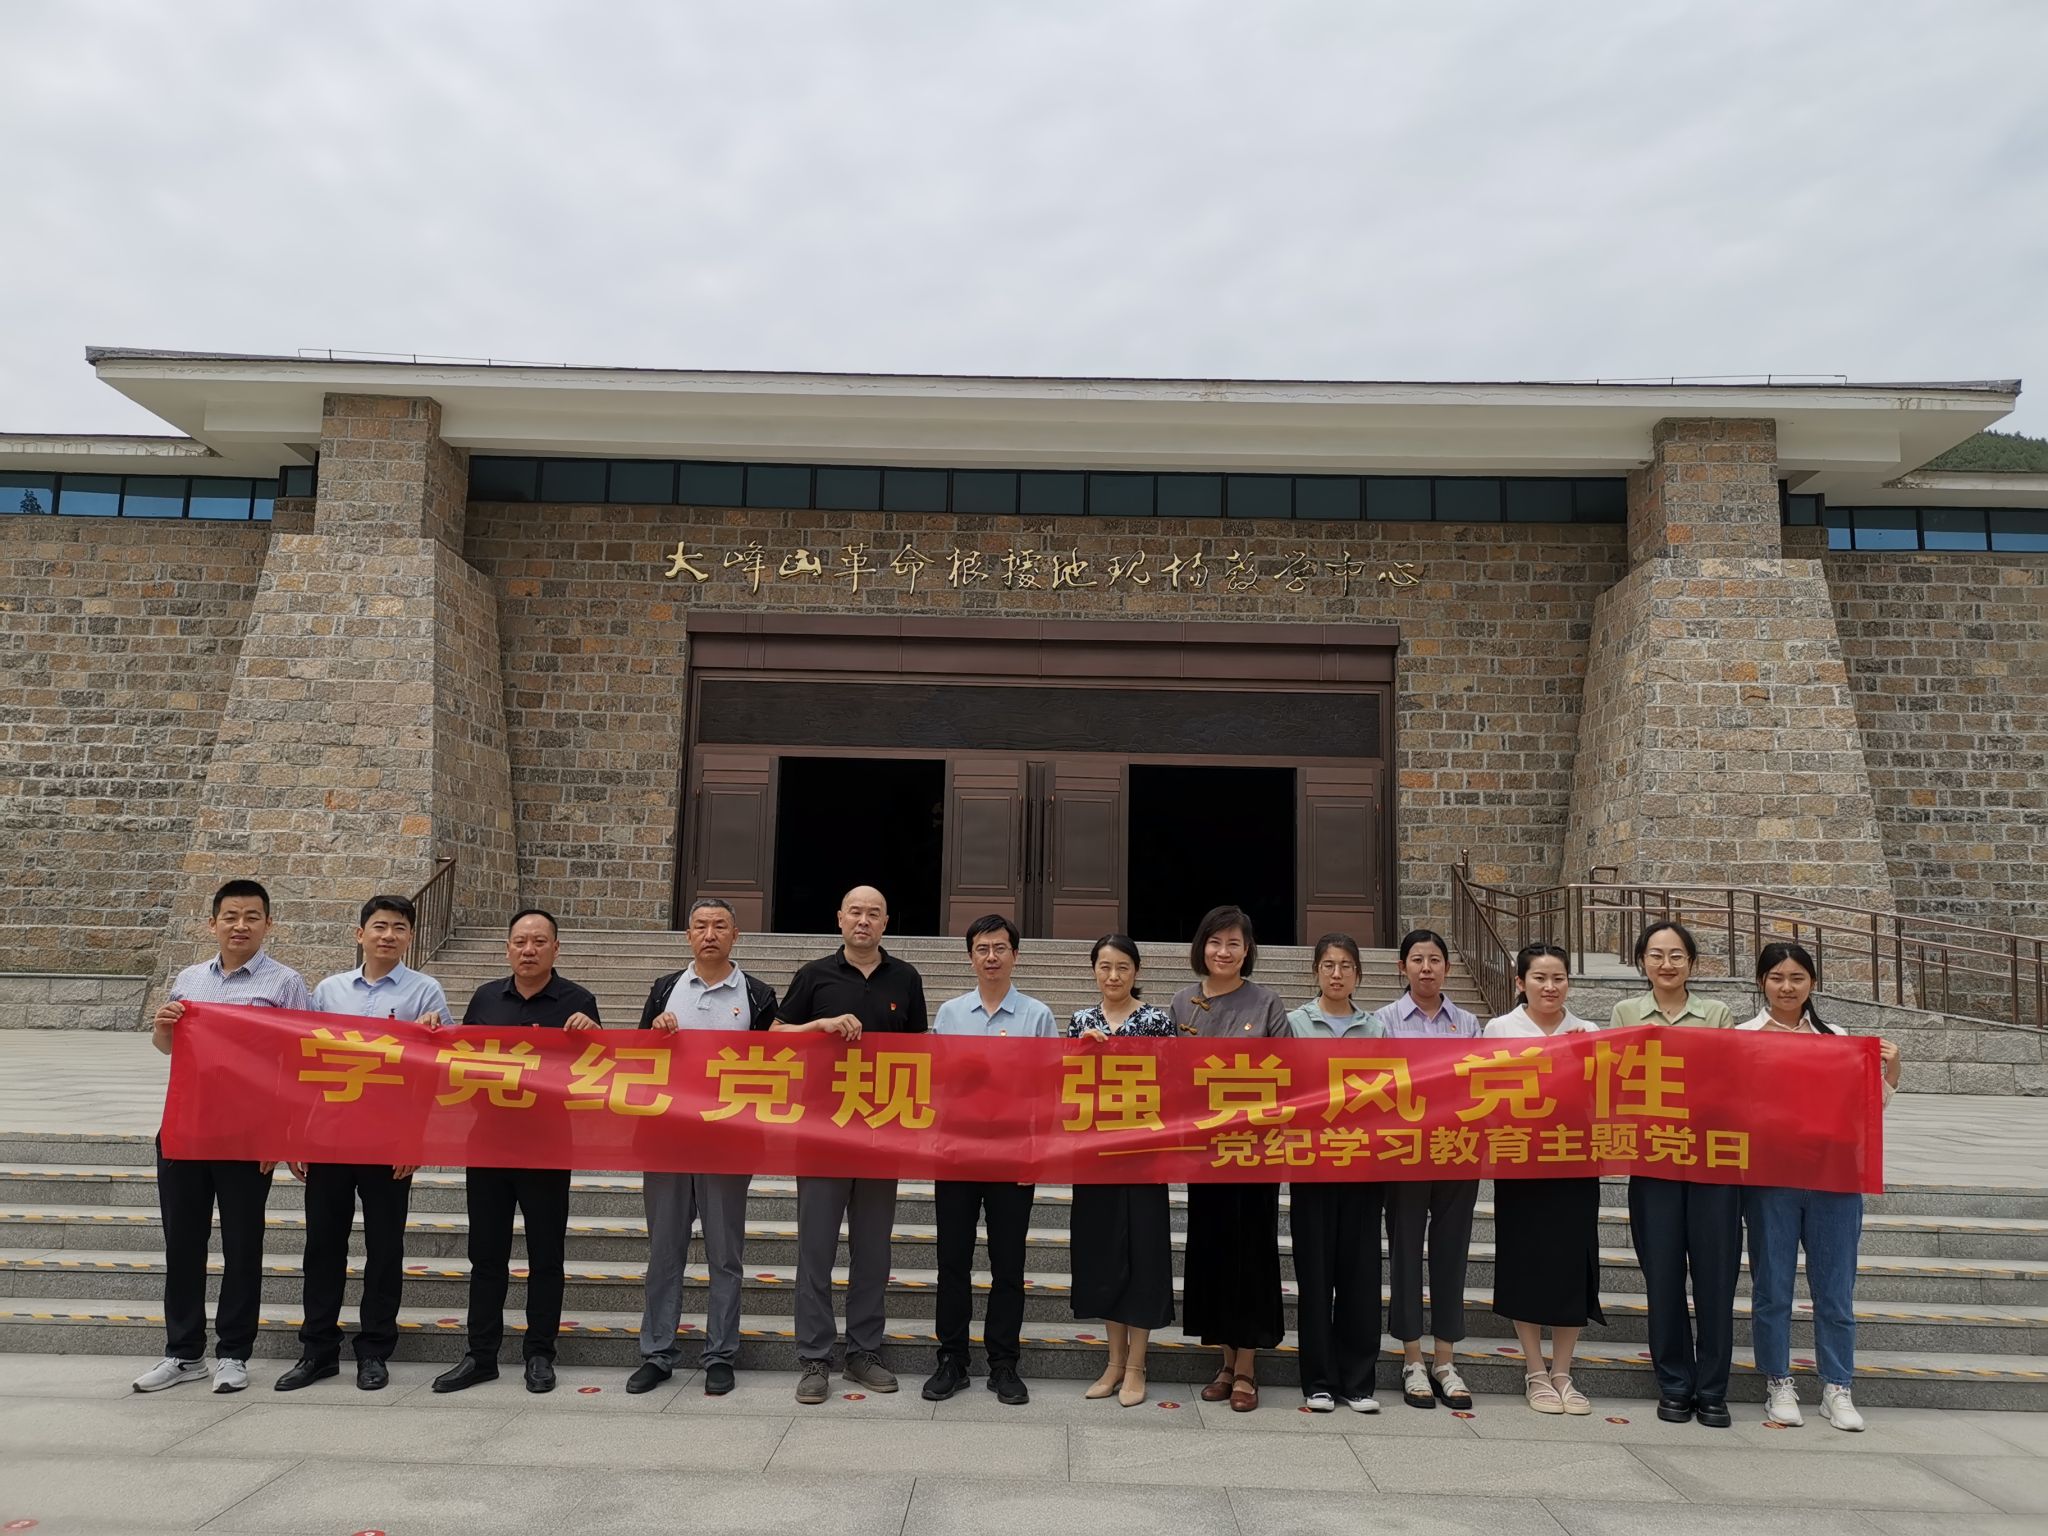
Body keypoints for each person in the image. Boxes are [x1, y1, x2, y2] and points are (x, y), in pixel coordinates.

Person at [135, 879, 312, 1395]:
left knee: (242, 1245)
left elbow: (299, 1062)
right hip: (185, 1129)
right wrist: (163, 1025)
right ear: (212, 923)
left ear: (268, 924)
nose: (241, 925)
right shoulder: (190, 979)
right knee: (182, 1245)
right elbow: (168, 1047)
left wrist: (282, 1134)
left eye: (252, 916)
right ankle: (183, 1353)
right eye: (231, 916)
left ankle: (234, 1352)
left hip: (246, 1135)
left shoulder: (285, 983)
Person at [279, 894, 448, 1393]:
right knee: (322, 1247)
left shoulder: (426, 991)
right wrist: (297, 1134)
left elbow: (437, 1072)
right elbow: (306, 1064)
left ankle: (374, 1350)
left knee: (385, 1249)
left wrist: (415, 1140)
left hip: (389, 1143)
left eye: (399, 927)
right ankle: (318, 1351)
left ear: (410, 937)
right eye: (379, 926)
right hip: (329, 1137)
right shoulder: (328, 991)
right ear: (360, 934)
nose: (388, 935)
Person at [433, 908, 600, 1396]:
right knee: (486, 1255)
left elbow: (600, 1072)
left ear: (556, 948)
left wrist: (593, 1036)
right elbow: (459, 1061)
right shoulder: (486, 998)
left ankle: (540, 1354)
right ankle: (480, 1355)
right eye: (520, 942)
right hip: (488, 1144)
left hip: (548, 1147)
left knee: (546, 1256)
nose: (529, 950)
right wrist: (431, 1033)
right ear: (507, 948)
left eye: (539, 941)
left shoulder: (578, 1001)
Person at [774, 885, 929, 1405]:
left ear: (886, 922)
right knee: (815, 1251)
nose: (864, 921)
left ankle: (864, 1351)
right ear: (840, 918)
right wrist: (817, 1026)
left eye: (874, 914)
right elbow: (773, 1036)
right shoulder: (813, 975)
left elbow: (919, 1053)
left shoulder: (906, 978)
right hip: (822, 1131)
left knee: (873, 1251)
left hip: (881, 1133)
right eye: (856, 912)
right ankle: (814, 1358)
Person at [1738, 941, 1901, 1433]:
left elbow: (1870, 1106)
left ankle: (1837, 1386)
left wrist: (1890, 1067)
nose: (1787, 987)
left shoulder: (1838, 1038)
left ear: (1812, 982)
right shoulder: (1741, 1038)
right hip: (1770, 1179)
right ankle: (1778, 1381)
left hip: (1834, 1177)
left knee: (1835, 1289)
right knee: (1772, 1287)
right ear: (1762, 983)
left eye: (1797, 978)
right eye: (1776, 978)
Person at [627, 896, 778, 1398]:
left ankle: (720, 1355)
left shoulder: (758, 995)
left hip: (727, 1143)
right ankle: (657, 1353)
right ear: (688, 935)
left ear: (736, 935)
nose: (709, 934)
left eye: (719, 926)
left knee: (724, 1255)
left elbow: (774, 1066)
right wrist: (655, 1033)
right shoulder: (665, 989)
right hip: (667, 1140)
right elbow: (637, 1058)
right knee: (664, 1252)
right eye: (700, 926)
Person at [922, 914, 1057, 1406]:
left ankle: (1004, 1363)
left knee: (1009, 1264)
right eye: (983, 949)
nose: (992, 957)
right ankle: (952, 1360)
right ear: (970, 957)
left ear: (1015, 955)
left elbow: (1049, 1089)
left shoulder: (1037, 1016)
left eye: (1000, 948)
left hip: (1013, 1156)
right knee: (952, 1262)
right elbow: (935, 1082)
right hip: (956, 1154)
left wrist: (1037, 1151)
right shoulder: (950, 1013)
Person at [1610, 919, 1736, 1427]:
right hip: (1653, 1160)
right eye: (1657, 955)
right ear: (1642, 961)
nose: (1666, 964)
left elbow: (1731, 1082)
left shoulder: (1717, 1014)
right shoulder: (1625, 1014)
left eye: (1677, 955)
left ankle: (1713, 1389)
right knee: (1662, 1276)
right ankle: (1675, 1384)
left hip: (1713, 1162)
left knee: (1716, 1277)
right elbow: (1616, 1083)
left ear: (1692, 963)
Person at [1171, 904, 1289, 1414]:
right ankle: (1223, 1361)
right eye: (1215, 941)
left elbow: (1289, 1074)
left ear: (1247, 951)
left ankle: (1247, 1367)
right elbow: (1169, 1075)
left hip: (1255, 1153)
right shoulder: (1183, 1003)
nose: (1223, 951)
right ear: (1202, 946)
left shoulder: (1267, 1002)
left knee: (1252, 1255)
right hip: (1205, 1153)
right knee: (1213, 1252)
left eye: (1234, 943)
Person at [1483, 942, 1603, 1416]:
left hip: (1575, 1161)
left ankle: (1563, 1373)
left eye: (1558, 978)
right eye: (1539, 978)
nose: (1550, 986)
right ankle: (1535, 1370)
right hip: (1521, 1162)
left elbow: (1603, 1098)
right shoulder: (1499, 1029)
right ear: (1520, 983)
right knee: (1525, 1261)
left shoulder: (1589, 1032)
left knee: (1573, 1262)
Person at [1373, 927, 1481, 1410]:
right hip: (1403, 1154)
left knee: (1452, 1252)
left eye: (1435, 959)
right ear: (1402, 967)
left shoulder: (1469, 1024)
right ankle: (1413, 1358)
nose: (1426, 968)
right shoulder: (1382, 1022)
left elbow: (1480, 1085)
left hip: (1457, 1150)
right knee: (1404, 1250)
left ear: (1447, 968)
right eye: (1417, 959)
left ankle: (1445, 1360)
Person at [1068, 934, 1177, 1408]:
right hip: (1095, 1157)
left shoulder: (1156, 1020)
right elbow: (1065, 1087)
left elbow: (1174, 1082)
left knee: (1143, 1255)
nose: (1113, 976)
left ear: (1137, 971)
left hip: (1144, 1156)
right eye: (1105, 967)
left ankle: (1137, 1365)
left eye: (1122, 968)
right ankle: (1113, 1362)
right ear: (1094, 970)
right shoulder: (1080, 1021)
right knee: (1104, 1257)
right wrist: (1080, 1053)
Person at [1286, 933, 1386, 1413]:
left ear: (1358, 974)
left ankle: (1358, 1381)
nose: (1337, 973)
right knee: (1315, 1273)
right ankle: (1319, 1380)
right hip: (1311, 1164)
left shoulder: (1376, 1028)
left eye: (1346, 965)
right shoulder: (1294, 1024)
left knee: (1360, 1275)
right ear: (1316, 972)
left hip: (1363, 1164)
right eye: (1328, 965)